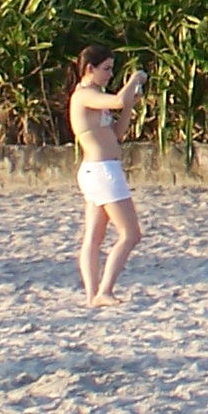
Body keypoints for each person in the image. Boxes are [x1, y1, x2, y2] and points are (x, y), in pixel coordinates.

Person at [67, 46, 147, 305]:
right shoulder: (84, 95)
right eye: (106, 69)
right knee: (131, 234)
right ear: (90, 68)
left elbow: (117, 134)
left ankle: (93, 295)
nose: (110, 75)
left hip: (101, 169)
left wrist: (129, 106)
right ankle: (103, 291)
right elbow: (116, 100)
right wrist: (133, 80)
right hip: (101, 170)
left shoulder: (96, 97)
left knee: (95, 235)